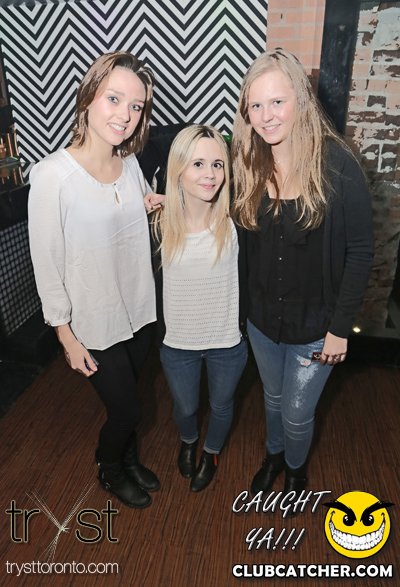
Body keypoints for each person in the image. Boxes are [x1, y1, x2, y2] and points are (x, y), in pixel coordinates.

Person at [231, 49, 374, 516]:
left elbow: (360, 253)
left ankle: (295, 471)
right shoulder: (248, 162)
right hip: (262, 323)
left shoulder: (338, 165)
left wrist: (340, 329)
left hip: (317, 328)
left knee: (296, 412)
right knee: (272, 400)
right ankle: (274, 457)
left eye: (277, 102)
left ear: (301, 100)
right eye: (256, 106)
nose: (266, 116)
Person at [28, 51, 160, 509]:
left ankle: (129, 459)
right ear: (88, 98)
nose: (125, 114)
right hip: (94, 322)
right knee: (127, 409)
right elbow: (46, 264)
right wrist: (65, 336)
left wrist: (171, 199)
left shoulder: (130, 163)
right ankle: (109, 468)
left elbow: (135, 206)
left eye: (136, 105)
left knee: (132, 398)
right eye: (114, 99)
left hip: (139, 309)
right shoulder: (52, 176)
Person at [150, 125, 248, 492]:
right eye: (198, 164)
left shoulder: (237, 223)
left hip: (228, 343)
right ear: (177, 169)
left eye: (218, 164)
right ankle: (189, 441)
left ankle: (211, 451)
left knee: (222, 405)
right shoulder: (157, 225)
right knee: (186, 408)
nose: (210, 174)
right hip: (178, 346)